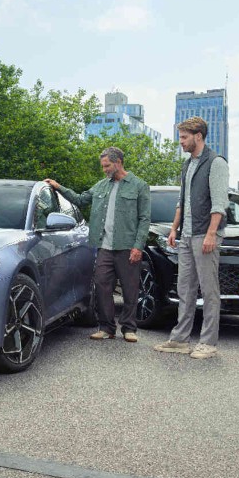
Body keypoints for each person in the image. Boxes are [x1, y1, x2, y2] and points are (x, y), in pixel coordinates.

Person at [46, 147, 151, 343]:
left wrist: (138, 246)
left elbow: (144, 219)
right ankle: (107, 327)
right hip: (104, 246)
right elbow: (80, 199)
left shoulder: (139, 186)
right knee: (102, 286)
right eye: (103, 166)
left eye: (107, 165)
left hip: (128, 246)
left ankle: (129, 328)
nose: (104, 169)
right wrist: (59, 187)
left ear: (118, 162)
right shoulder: (101, 186)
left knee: (130, 289)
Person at [155, 116, 228, 360]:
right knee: (184, 288)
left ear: (198, 136)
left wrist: (211, 234)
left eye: (184, 137)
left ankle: (208, 342)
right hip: (186, 234)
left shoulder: (216, 163)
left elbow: (219, 204)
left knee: (209, 291)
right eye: (180, 137)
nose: (181, 142)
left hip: (204, 235)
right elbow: (181, 201)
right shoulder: (188, 165)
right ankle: (180, 339)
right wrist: (174, 229)